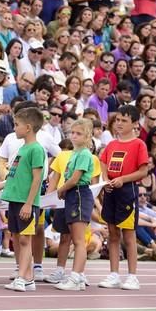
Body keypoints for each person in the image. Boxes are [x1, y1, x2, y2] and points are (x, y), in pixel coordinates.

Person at [0, 107, 46, 292]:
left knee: (25, 240)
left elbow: (37, 178)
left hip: (26, 202)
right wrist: (0, 185)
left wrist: (29, 203)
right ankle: (27, 277)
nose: (14, 128)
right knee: (17, 238)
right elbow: (15, 175)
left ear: (28, 127)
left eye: (16, 125)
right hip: (14, 200)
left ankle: (22, 277)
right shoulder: (22, 148)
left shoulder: (36, 149)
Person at [99, 105, 149, 290]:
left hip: (127, 191)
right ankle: (113, 274)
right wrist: (105, 179)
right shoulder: (112, 144)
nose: (119, 123)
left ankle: (132, 276)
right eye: (117, 120)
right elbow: (103, 161)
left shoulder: (139, 145)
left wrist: (123, 179)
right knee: (112, 234)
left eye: (124, 121)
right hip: (111, 191)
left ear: (135, 124)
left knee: (128, 235)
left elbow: (143, 171)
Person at [54, 119, 95, 291]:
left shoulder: (84, 154)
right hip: (72, 195)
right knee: (73, 238)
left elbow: (75, 178)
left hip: (79, 194)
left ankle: (76, 276)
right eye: (73, 133)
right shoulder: (74, 154)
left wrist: (62, 188)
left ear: (87, 136)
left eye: (79, 133)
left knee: (78, 240)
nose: (74, 136)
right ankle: (76, 276)